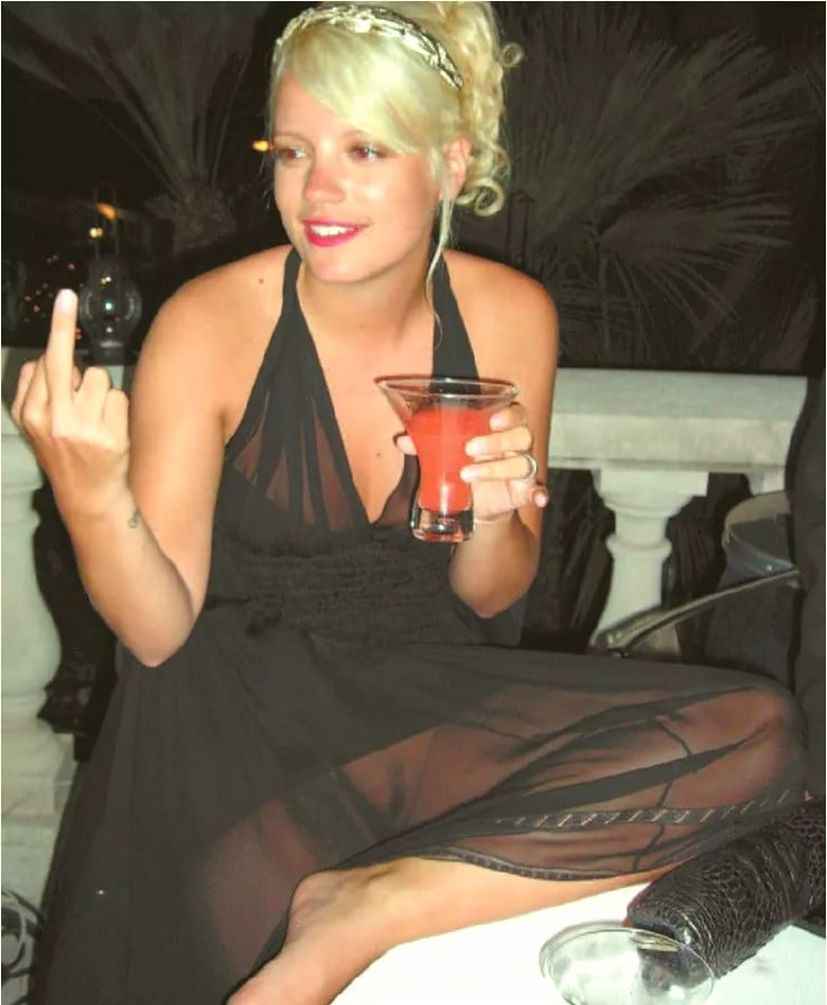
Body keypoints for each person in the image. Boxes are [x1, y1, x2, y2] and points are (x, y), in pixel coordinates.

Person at [14, 4, 806, 1003]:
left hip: (428, 707)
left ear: (448, 163)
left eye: (365, 150)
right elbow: (159, 630)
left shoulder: (510, 316)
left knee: (761, 730)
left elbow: (490, 593)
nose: (318, 189)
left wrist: (493, 511)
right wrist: (91, 496)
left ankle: (371, 904)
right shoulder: (209, 324)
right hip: (237, 725)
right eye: (293, 151)